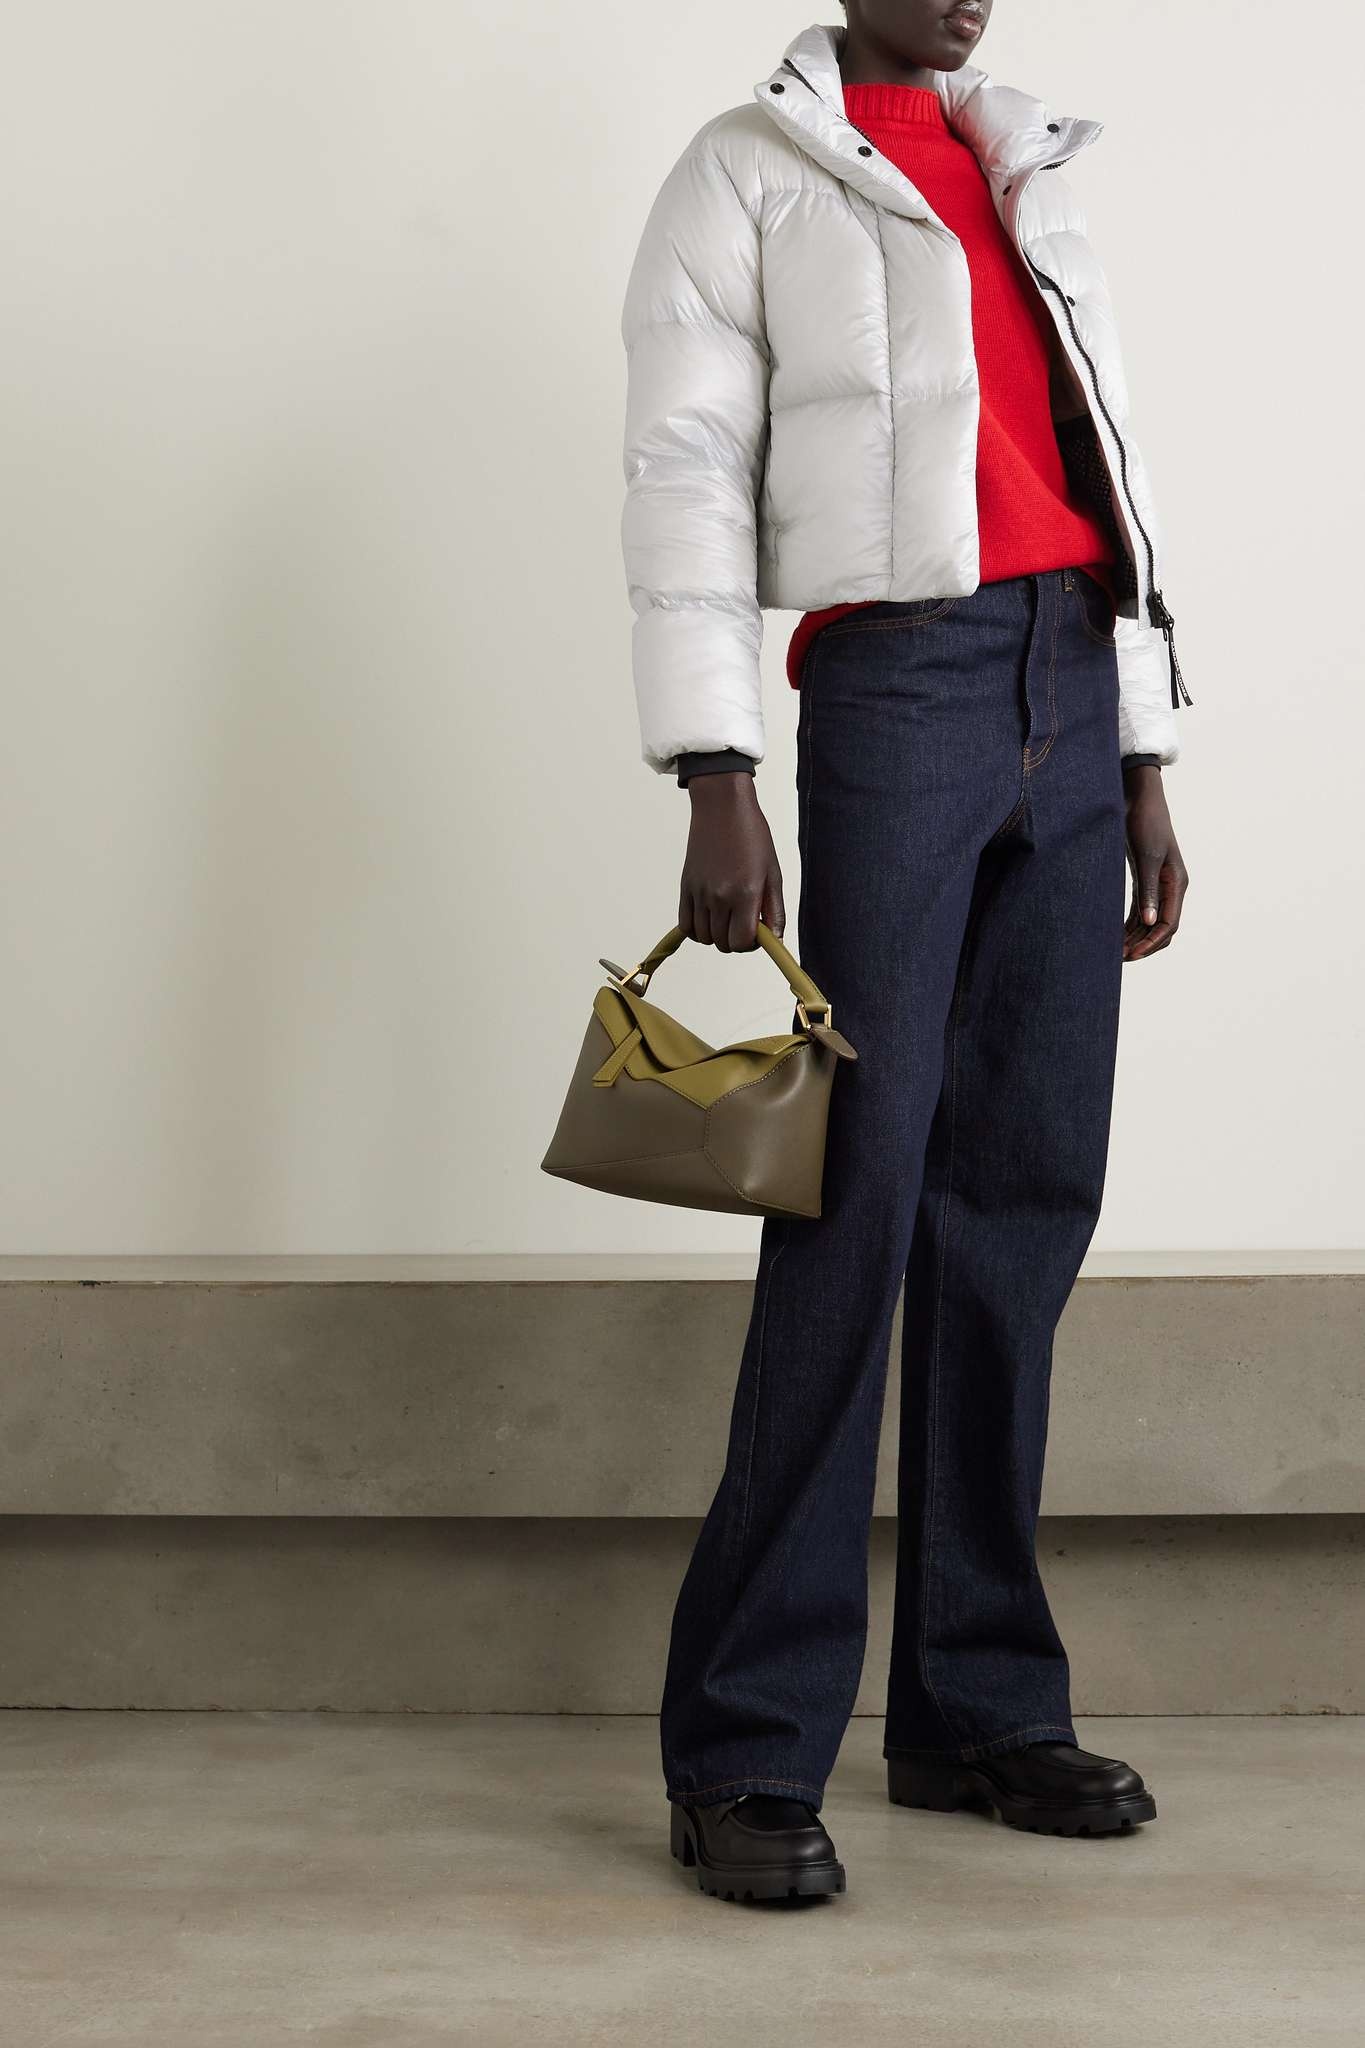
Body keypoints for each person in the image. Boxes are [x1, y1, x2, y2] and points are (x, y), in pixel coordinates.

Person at [619, 4, 1190, 1903]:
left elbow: (1103, 472)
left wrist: (1142, 757)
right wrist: (714, 768)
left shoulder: (1026, 159)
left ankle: (975, 1707)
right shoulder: (745, 171)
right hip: (899, 683)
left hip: (1066, 681)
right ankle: (744, 1746)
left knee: (1018, 1202)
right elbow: (684, 466)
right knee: (849, 1197)